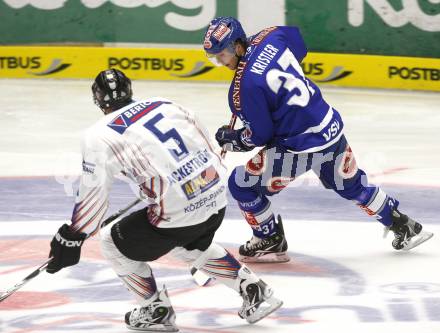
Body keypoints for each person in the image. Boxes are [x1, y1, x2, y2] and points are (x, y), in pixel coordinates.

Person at [45, 69, 282, 331]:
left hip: (179, 211)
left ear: (98, 100)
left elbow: (94, 195)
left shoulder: (98, 135)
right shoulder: (165, 103)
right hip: (215, 198)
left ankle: (155, 310)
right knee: (186, 245)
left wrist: (73, 235)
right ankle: (253, 289)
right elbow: (204, 145)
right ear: (130, 90)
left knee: (111, 242)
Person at [203, 17, 434, 263]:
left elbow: (259, 135)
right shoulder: (272, 35)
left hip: (298, 148)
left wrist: (233, 139)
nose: (220, 61)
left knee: (242, 185)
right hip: (329, 127)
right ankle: (404, 226)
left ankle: (268, 239)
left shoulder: (244, 88)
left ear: (238, 45)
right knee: (351, 185)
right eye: (215, 57)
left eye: (224, 54)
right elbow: (298, 45)